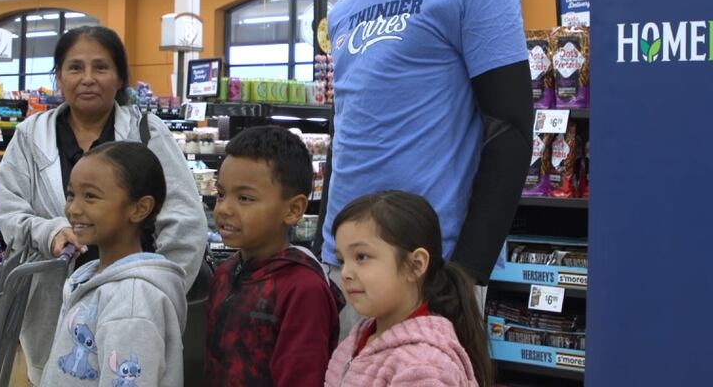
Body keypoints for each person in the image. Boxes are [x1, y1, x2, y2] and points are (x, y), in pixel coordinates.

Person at [324, 0, 534, 296]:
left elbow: (510, 126)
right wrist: (324, 245)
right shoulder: (345, 9)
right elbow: (346, 130)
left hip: (427, 264)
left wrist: (468, 268)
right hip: (342, 261)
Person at [0, 25, 206, 385]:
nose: (88, 78)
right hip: (53, 303)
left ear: (120, 77)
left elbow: (184, 220)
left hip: (130, 300)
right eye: (75, 67)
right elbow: (9, 210)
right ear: (59, 76)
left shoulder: (147, 132)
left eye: (101, 67)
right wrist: (49, 231)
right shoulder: (31, 136)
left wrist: (155, 286)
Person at [39, 142, 187, 387]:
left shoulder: (132, 303)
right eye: (71, 195)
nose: (73, 208)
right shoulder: (91, 276)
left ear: (140, 208)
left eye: (90, 196)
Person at [205, 126, 343, 386]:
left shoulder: (303, 290)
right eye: (221, 194)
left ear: (293, 209)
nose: (224, 208)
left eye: (245, 198)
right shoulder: (224, 274)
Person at [327, 191, 492, 387]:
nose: (345, 273)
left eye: (362, 257)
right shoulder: (359, 337)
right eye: (341, 260)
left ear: (416, 265)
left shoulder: (425, 366)